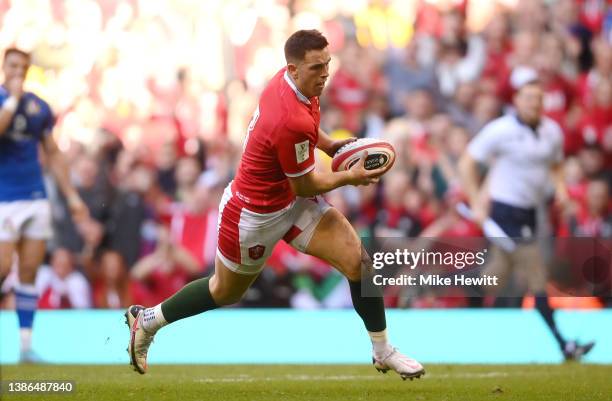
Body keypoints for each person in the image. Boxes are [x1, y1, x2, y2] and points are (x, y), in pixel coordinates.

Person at [125, 30, 425, 380]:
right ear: (294, 70)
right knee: (223, 291)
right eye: (317, 67)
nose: (325, 73)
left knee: (359, 262)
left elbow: (311, 134)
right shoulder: (289, 118)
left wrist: (332, 148)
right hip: (254, 214)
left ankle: (382, 349)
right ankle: (147, 321)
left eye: (327, 64)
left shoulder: (296, 84)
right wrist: (350, 176)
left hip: (291, 202)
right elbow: (307, 182)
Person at [458, 70, 595, 361]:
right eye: (529, 98)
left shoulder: (551, 132)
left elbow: (556, 165)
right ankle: (564, 344)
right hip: (505, 212)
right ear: (517, 100)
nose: (534, 104)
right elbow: (467, 162)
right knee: (536, 275)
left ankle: (440, 287)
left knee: (495, 277)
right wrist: (476, 202)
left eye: (539, 99)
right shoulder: (501, 130)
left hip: (532, 213)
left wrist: (561, 190)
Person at [0, 47, 88, 362]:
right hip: (3, 199)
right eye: (13, 65)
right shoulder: (2, 100)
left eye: (23, 66)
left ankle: (25, 347)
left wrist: (72, 196)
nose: (18, 71)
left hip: (35, 196)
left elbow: (52, 153)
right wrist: (11, 99)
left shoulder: (39, 108)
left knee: (28, 271)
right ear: (4, 66)